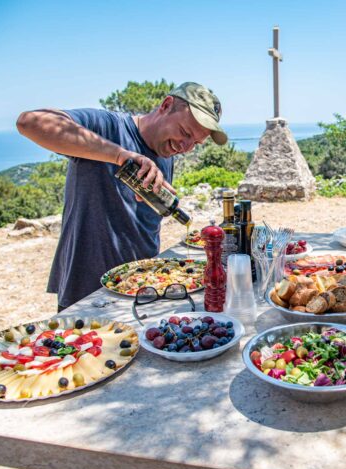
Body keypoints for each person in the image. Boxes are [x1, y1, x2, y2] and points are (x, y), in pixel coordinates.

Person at [16, 82, 227, 311]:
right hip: (88, 292)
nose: (185, 147)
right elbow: (30, 122)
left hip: (142, 291)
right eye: (185, 132)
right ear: (166, 105)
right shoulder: (108, 127)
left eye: (195, 143)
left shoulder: (167, 153)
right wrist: (120, 156)